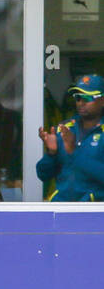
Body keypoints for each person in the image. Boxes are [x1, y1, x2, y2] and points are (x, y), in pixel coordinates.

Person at [36, 74, 104, 202]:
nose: (81, 103)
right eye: (78, 98)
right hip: (61, 208)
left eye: (87, 97)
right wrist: (51, 154)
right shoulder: (65, 128)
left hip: (95, 213)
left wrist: (74, 153)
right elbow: (43, 174)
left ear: (102, 101)